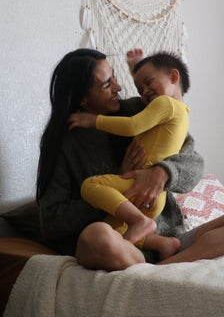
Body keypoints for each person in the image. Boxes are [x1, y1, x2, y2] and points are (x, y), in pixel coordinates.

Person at [36, 48, 220, 270]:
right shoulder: (66, 145)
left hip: (169, 240)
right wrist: (116, 187)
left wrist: (162, 172)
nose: (119, 87)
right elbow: (51, 222)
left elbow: (194, 163)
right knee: (96, 236)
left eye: (114, 76)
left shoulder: (139, 110)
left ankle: (168, 264)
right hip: (121, 244)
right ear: (82, 97)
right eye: (107, 84)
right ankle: (162, 269)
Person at [67, 50, 190, 259]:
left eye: (148, 83)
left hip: (138, 184)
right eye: (139, 89)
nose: (144, 93)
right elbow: (150, 94)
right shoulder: (181, 112)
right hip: (155, 199)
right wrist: (138, 72)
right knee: (110, 231)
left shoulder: (164, 103)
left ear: (174, 77)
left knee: (91, 185)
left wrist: (93, 120)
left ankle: (140, 223)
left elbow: (133, 126)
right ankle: (163, 244)